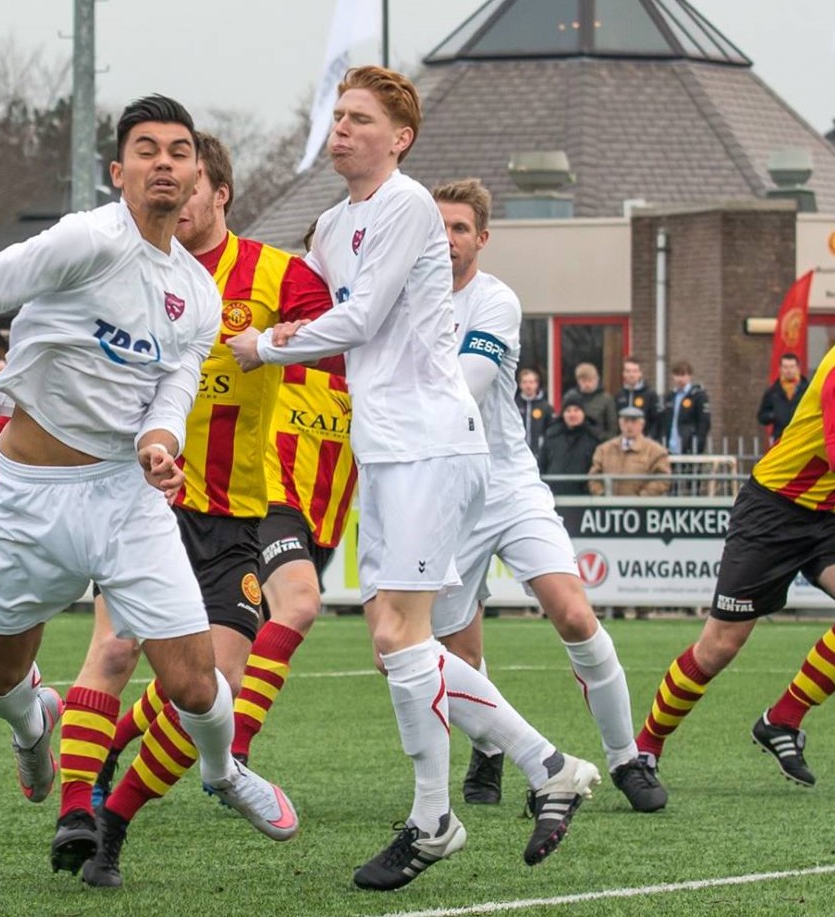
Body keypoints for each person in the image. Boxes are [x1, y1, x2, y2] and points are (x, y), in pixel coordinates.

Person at [0, 95, 292, 885]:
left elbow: (172, 391)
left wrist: (157, 444)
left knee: (194, 680)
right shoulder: (84, 240)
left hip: (124, 497)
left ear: (200, 176)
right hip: (29, 495)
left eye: (181, 152)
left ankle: (221, 771)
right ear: (120, 171)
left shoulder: (199, 296)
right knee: (2, 676)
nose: (166, 163)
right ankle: (32, 727)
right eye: (148, 149)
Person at [227, 67, 581, 890]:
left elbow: (358, 319)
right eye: (339, 116)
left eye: (358, 119)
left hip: (429, 441)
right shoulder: (334, 225)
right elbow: (307, 295)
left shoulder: (407, 205)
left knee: (397, 638)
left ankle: (433, 819)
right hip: (382, 448)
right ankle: (548, 764)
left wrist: (265, 346)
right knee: (397, 647)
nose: (340, 129)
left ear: (400, 138)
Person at [432, 178, 660, 818]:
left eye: (458, 229)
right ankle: (492, 749)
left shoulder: (496, 299)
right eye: (437, 227)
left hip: (506, 484)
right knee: (458, 653)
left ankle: (624, 758)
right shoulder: (402, 298)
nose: (446, 241)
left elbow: (465, 387)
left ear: (481, 237)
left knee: (575, 616)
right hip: (444, 496)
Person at [635, 343, 835, 793]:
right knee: (719, 647)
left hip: (827, 515)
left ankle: (782, 719)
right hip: (774, 512)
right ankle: (644, 747)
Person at [589, 406, 671, 496]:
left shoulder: (656, 451)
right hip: (608, 506)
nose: (629, 426)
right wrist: (602, 494)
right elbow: (594, 476)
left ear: (642, 424)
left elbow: (662, 478)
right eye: (625, 421)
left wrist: (643, 496)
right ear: (620, 424)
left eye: (634, 422)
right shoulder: (604, 449)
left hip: (641, 507)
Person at [538, 393, 597, 496]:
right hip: (553, 497)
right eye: (568, 411)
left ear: (583, 413)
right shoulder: (552, 436)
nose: (572, 414)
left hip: (583, 499)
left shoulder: (593, 438)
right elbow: (542, 465)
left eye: (576, 410)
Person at [758, 352, 809, 446]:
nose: (788, 370)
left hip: (802, 437)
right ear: (780, 369)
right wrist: (774, 415)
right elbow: (761, 416)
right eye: (785, 367)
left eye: (791, 367)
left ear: (798, 368)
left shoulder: (808, 390)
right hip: (779, 439)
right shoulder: (772, 392)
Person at [662, 360, 710, 455]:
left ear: (689, 376)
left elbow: (704, 422)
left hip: (689, 446)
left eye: (683, 375)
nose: (680, 379)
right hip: (670, 446)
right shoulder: (670, 397)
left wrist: (698, 443)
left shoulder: (698, 396)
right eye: (677, 375)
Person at [614, 356, 662, 437]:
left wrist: (650, 437)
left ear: (640, 373)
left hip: (644, 442)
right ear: (623, 374)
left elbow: (657, 420)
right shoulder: (619, 395)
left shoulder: (650, 394)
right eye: (628, 371)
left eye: (635, 371)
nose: (631, 375)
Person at [573, 363, 617, 443]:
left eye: (590, 380)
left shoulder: (606, 399)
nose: (587, 384)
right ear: (578, 381)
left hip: (598, 444)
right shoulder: (571, 398)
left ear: (597, 379)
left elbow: (612, 430)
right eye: (583, 381)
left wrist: (596, 434)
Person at [516, 368, 551, 456]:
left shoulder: (545, 406)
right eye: (525, 382)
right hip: (517, 453)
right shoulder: (514, 405)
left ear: (537, 384)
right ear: (520, 385)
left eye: (531, 382)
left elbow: (550, 430)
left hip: (538, 453)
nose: (528, 386)